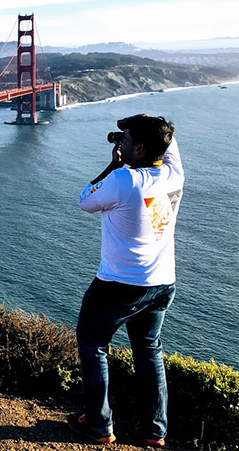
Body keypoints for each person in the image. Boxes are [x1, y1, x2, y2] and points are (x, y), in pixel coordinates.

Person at [69, 114, 184, 447]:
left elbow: (84, 200)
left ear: (141, 147)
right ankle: (153, 431)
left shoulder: (124, 180)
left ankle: (98, 425)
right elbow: (168, 140)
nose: (122, 144)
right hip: (162, 283)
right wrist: (141, 125)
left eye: (127, 140)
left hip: (119, 285)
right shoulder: (175, 174)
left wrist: (113, 166)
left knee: (93, 346)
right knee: (148, 350)